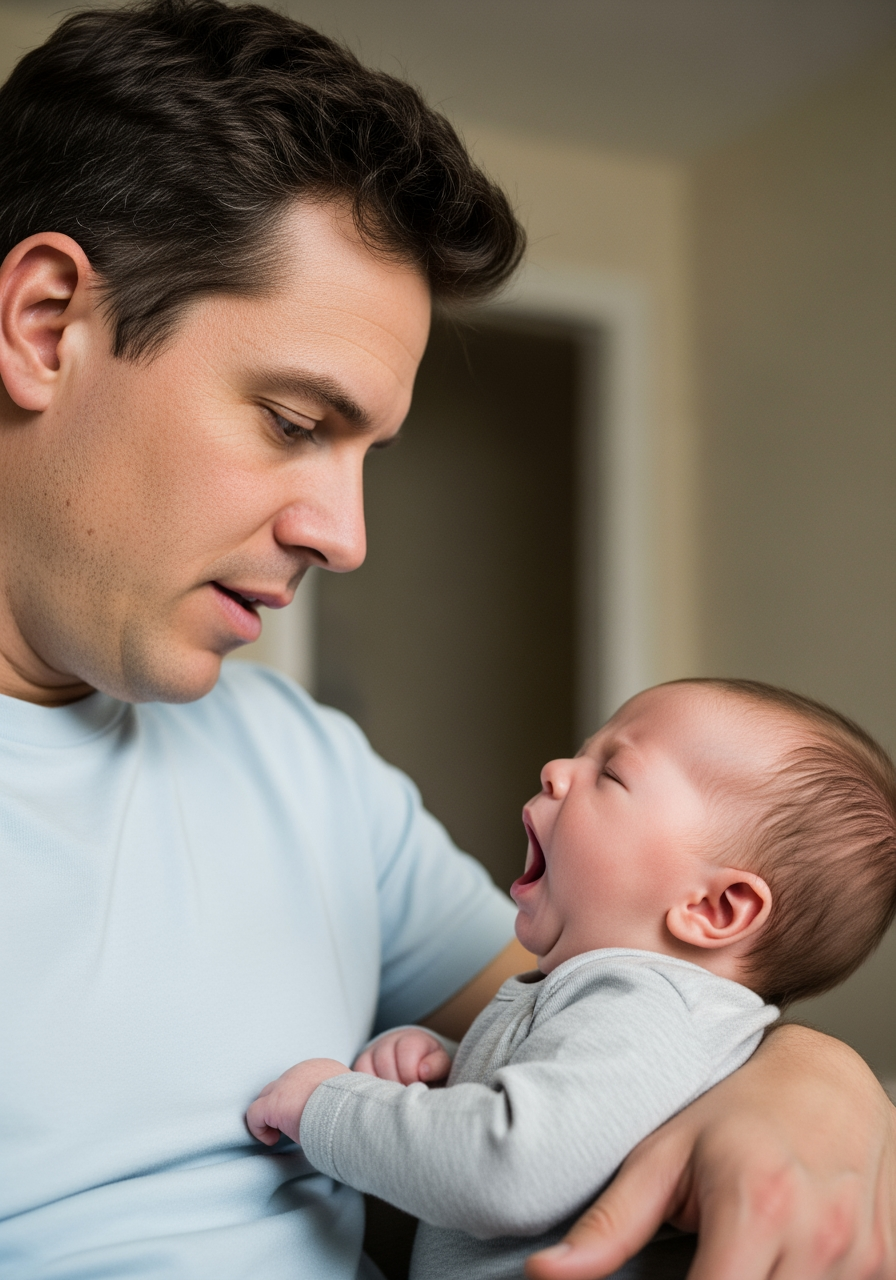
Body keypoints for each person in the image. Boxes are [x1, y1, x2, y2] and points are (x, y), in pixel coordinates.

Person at [0, 2, 894, 1277]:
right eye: (295, 419)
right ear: (46, 324)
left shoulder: (303, 766)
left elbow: (609, 1012)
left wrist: (811, 1077)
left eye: (368, 452)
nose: (344, 534)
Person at [246, 678, 896, 1279]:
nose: (556, 771)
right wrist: (455, 1069)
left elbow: (510, 1170)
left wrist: (326, 1106)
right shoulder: (637, 1013)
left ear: (713, 909)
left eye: (611, 772)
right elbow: (576, 1114)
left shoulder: (646, 1005)